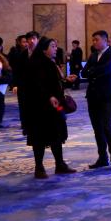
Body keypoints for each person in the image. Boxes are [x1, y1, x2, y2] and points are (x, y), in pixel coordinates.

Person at [26, 37, 77, 179]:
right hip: (40, 108)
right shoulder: (36, 64)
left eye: (55, 46)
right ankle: (39, 167)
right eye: (52, 46)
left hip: (55, 106)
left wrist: (66, 81)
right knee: (40, 137)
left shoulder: (52, 62)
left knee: (57, 135)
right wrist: (48, 96)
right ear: (44, 49)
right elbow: (36, 85)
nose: (56, 49)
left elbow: (55, 84)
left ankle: (60, 164)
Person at [82, 30, 111, 171]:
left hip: (106, 96)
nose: (94, 42)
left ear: (105, 40)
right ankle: (103, 158)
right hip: (92, 96)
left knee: (107, 127)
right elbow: (84, 73)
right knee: (97, 129)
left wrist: (92, 71)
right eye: (93, 40)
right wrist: (93, 71)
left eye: (96, 40)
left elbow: (107, 69)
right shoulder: (93, 55)